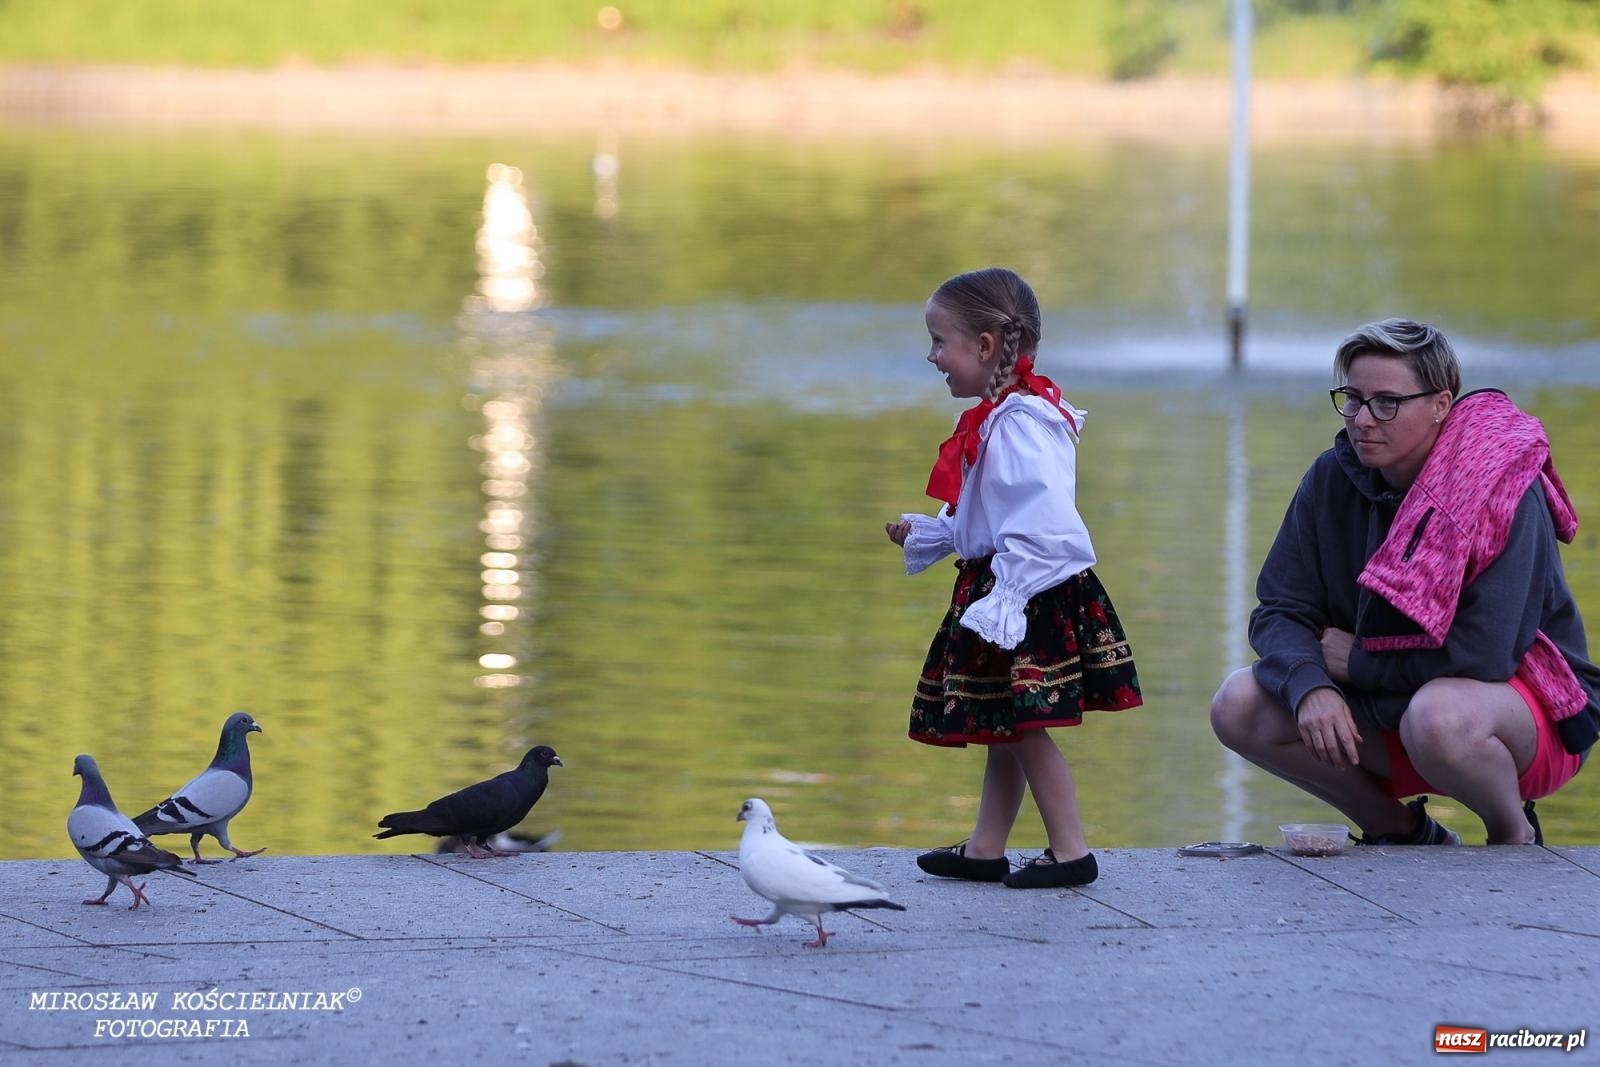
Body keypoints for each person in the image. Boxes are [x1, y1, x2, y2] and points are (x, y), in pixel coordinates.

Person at [1211, 318, 1600, 846]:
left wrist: (1359, 663)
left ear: (1441, 404)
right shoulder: (1331, 478)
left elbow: (1486, 655)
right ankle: (1397, 828)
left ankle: (1513, 836)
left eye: (1387, 403)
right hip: (1394, 707)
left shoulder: (1502, 487)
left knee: (1436, 716)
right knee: (1238, 704)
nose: (1363, 419)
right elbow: (1280, 609)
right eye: (1353, 399)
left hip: (1520, 719)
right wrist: (1311, 688)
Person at [885, 267, 1142, 889]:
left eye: (939, 341)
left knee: (1025, 728)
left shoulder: (1021, 423)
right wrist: (930, 532)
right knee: (1003, 722)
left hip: (1027, 592)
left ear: (985, 346)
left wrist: (1010, 595)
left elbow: (1044, 525)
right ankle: (985, 848)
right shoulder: (1000, 417)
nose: (931, 356)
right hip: (1004, 583)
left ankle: (1071, 850)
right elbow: (987, 514)